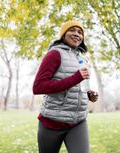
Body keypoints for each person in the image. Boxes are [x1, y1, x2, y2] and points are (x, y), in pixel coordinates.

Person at [32, 20, 98, 153]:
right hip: (52, 122)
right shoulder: (54, 54)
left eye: (80, 32)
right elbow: (38, 87)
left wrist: (88, 94)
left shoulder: (82, 59)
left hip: (78, 121)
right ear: (63, 34)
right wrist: (76, 78)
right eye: (72, 30)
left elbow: (78, 85)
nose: (77, 34)